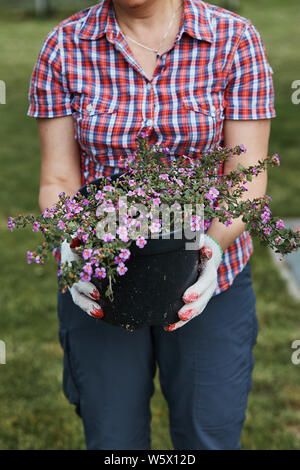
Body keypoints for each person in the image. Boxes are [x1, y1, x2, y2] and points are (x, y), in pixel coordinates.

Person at [28, 0, 276, 450]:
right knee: (112, 440)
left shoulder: (233, 39)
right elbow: (60, 178)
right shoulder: (64, 45)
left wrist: (212, 250)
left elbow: (248, 180)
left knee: (209, 436)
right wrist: (71, 242)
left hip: (213, 284)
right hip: (103, 277)